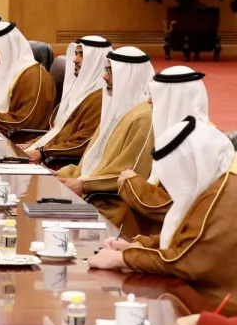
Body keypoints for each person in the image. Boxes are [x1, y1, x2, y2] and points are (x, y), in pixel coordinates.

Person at [89, 116, 237, 300]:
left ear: (191, 164)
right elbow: (184, 235)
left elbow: (186, 261)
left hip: (217, 303)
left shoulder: (224, 196)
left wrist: (121, 259)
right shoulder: (213, 183)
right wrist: (136, 245)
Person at [56, 47, 155, 230]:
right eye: (106, 70)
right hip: (87, 194)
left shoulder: (143, 117)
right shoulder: (117, 108)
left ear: (129, 77)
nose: (104, 77)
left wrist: (84, 184)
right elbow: (95, 161)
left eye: (110, 71)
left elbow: (133, 174)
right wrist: (64, 174)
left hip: (109, 207)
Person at [117, 66, 210, 234]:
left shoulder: (193, 146)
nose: (149, 101)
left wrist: (132, 183)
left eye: (155, 95)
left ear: (174, 100)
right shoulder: (178, 137)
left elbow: (176, 209)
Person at [23, 36, 110, 162]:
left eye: (82, 55)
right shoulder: (80, 90)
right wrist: (32, 144)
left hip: (60, 162)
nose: (75, 59)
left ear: (96, 61)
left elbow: (83, 144)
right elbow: (58, 132)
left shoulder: (100, 99)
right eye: (76, 54)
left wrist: (42, 152)